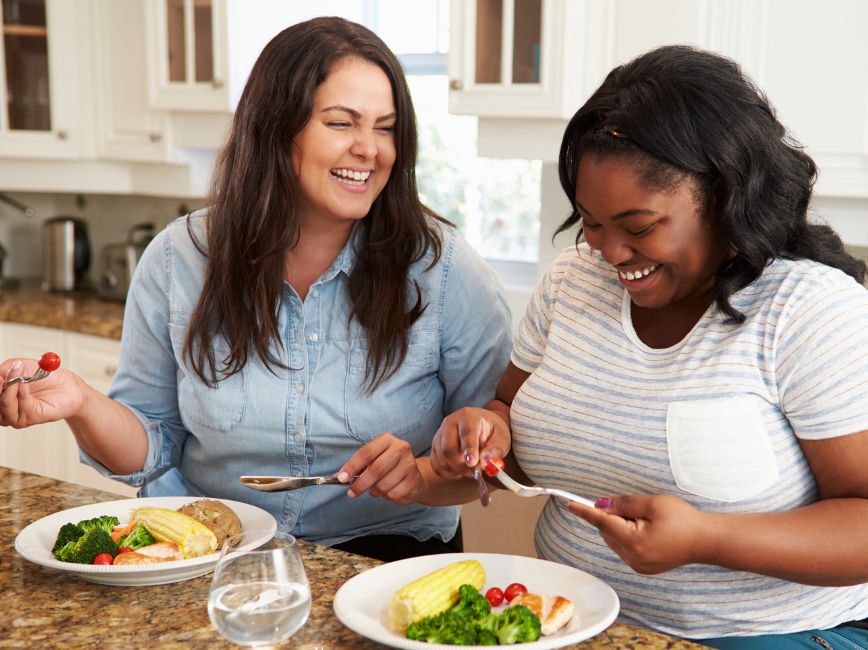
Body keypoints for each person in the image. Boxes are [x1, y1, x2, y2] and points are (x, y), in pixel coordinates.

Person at [0, 16, 512, 562]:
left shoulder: (443, 267)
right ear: (274, 127)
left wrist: (424, 473)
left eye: (385, 127)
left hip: (382, 561)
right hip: (211, 553)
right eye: (342, 123)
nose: (370, 148)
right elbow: (152, 447)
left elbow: (492, 463)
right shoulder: (180, 258)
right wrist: (81, 403)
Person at [428, 45, 868, 647]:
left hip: (769, 635)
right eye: (592, 222)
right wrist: (486, 432)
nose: (609, 253)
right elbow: (515, 425)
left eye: (638, 227)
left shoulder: (809, 310)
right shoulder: (571, 283)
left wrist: (708, 538)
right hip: (566, 622)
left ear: (725, 195)